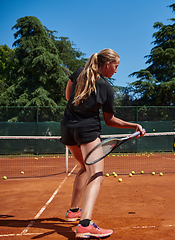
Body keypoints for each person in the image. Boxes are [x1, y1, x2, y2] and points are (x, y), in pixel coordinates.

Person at [60, 48, 145, 238]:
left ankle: (74, 211)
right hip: (87, 131)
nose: (116, 71)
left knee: (84, 167)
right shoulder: (106, 87)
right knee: (96, 175)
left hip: (67, 129)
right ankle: (85, 225)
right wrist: (133, 126)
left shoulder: (78, 73)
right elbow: (109, 120)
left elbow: (68, 98)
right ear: (107, 64)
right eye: (116, 67)